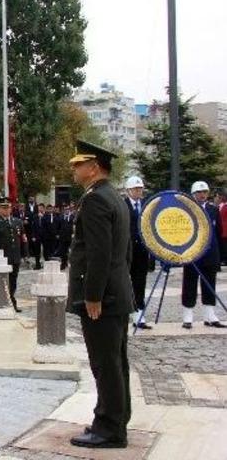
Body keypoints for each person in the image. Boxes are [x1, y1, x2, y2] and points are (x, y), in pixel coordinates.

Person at [66, 140, 133, 449]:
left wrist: (92, 295)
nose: (74, 168)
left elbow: (99, 253)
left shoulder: (95, 200)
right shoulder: (115, 198)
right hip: (117, 292)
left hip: (101, 299)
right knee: (115, 362)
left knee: (105, 363)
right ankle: (113, 418)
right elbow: (125, 253)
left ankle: (109, 428)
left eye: (79, 164)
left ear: (94, 167)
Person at [181, 181, 224, 329]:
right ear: (193, 194)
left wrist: (219, 255)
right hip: (192, 253)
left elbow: (218, 232)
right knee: (189, 284)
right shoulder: (187, 209)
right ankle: (187, 316)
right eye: (199, 192)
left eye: (205, 192)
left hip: (210, 253)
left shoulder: (213, 209)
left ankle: (209, 315)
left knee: (209, 284)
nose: (202, 194)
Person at [0, 197, 28, 312]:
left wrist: (25, 254)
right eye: (4, 208)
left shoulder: (17, 222)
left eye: (8, 208)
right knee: (3, 281)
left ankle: (12, 301)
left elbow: (23, 238)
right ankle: (4, 301)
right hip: (2, 258)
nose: (7, 210)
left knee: (13, 280)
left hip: (15, 256)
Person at [123, 176, 152, 329]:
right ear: (128, 190)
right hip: (127, 251)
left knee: (140, 283)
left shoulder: (146, 205)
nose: (138, 191)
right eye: (135, 189)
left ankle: (139, 314)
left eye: (140, 189)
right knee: (124, 283)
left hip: (142, 251)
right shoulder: (123, 205)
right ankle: (125, 311)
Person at [58, 204, 74, 270]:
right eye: (65, 209)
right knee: (63, 251)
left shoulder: (72, 217)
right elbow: (59, 226)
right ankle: (63, 264)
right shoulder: (61, 217)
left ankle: (70, 263)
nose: (66, 210)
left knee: (71, 251)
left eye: (68, 209)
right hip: (63, 237)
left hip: (70, 237)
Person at [217, 189, 227, 267]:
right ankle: (222, 259)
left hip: (225, 228)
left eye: (220, 196)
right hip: (221, 228)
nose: (218, 198)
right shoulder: (220, 205)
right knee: (222, 245)